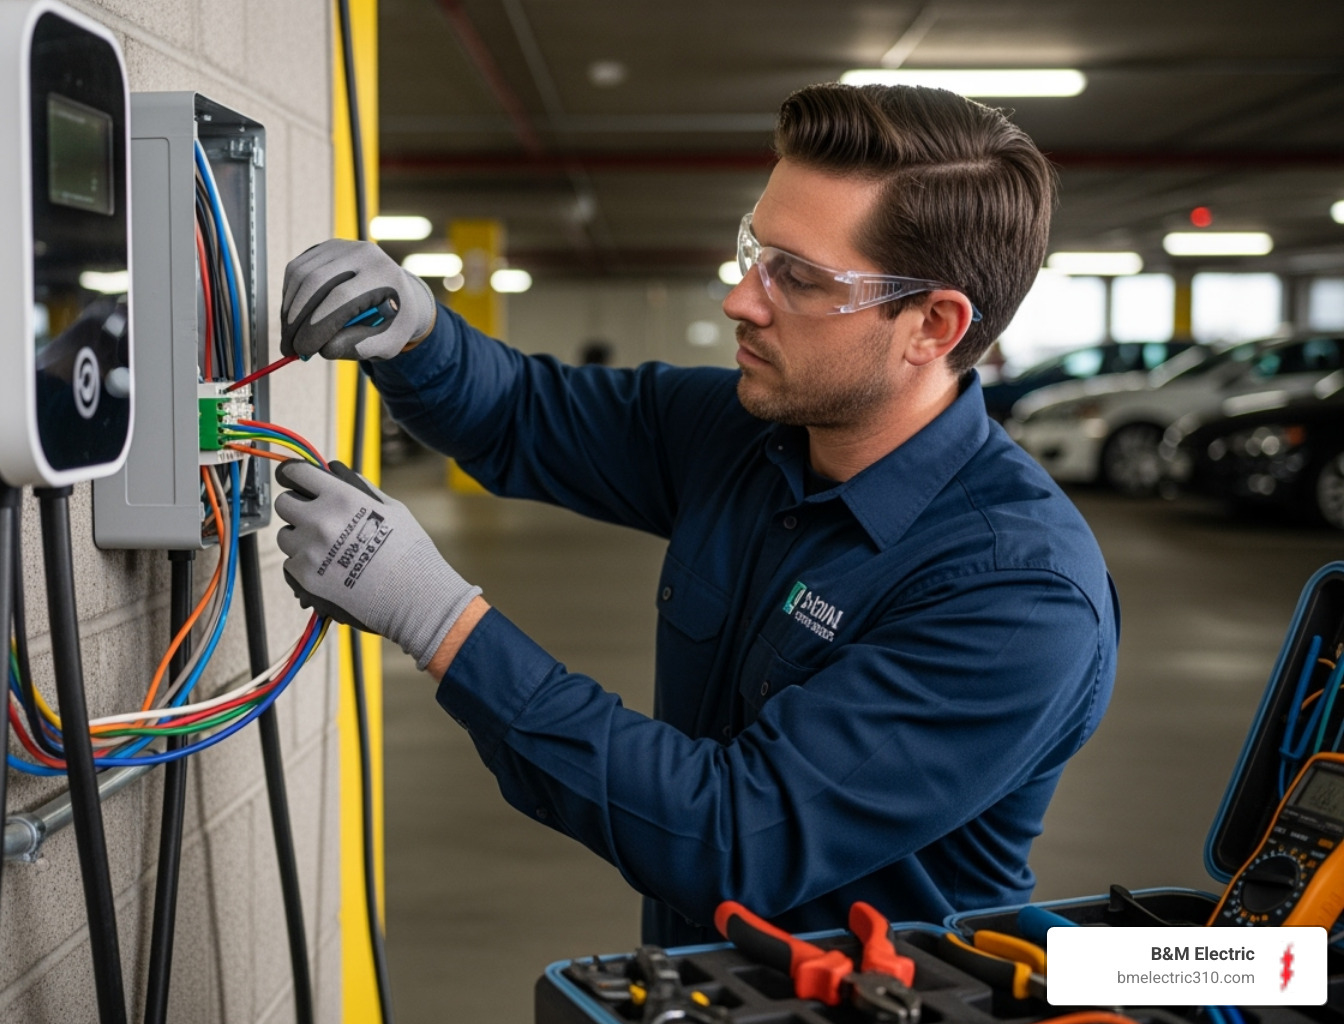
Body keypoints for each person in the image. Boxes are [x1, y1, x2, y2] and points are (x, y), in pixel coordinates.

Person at [272, 83, 1119, 948]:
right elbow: (525, 414)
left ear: (933, 325)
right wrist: (416, 330)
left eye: (800, 277)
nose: (742, 300)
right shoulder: (747, 431)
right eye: (756, 251)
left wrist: (437, 618)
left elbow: (732, 836)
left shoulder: (1019, 595)